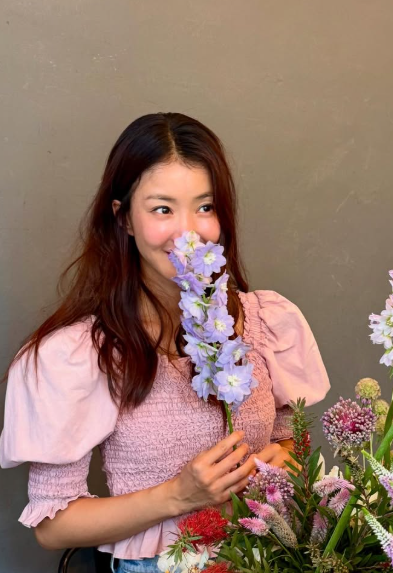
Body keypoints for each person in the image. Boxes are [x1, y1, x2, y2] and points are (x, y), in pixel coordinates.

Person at [0, 112, 330, 573]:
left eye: (205, 207)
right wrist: (178, 496)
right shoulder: (80, 354)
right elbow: (53, 527)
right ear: (124, 218)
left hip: (272, 554)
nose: (188, 232)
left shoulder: (263, 321)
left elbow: (290, 441)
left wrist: (286, 461)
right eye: (162, 209)